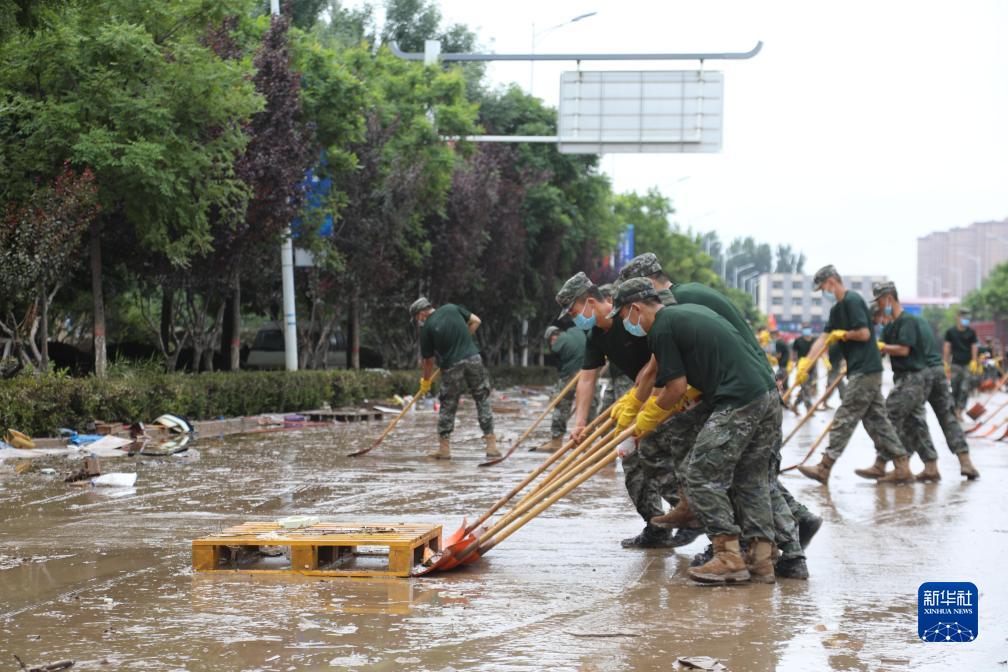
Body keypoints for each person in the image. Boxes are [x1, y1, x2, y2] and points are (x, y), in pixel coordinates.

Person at [618, 253, 817, 580]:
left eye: (625, 315)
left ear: (635, 308)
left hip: (740, 398)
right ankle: (762, 560)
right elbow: (667, 372)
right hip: (766, 394)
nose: (628, 323)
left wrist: (643, 424)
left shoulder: (663, 326)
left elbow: (675, 387)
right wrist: (633, 409)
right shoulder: (682, 312)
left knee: (699, 474)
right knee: (750, 478)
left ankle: (728, 556)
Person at [555, 272, 682, 549]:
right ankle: (656, 525)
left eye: (575, 311)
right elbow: (587, 378)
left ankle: (695, 520)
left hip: (666, 394)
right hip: (638, 396)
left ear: (590, 302)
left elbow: (659, 357)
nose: (575, 319)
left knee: (663, 459)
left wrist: (646, 400)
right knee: (632, 462)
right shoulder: (595, 334)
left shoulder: (630, 317)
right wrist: (579, 423)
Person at [795, 265, 913, 484]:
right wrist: (805, 364)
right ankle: (901, 465)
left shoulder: (853, 301)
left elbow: (864, 333)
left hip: (866, 369)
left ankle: (825, 467)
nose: (824, 293)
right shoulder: (836, 310)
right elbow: (823, 338)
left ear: (831, 282)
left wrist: (845, 335)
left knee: (845, 415)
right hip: (860, 369)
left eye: (823, 288)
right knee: (877, 421)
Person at [869, 284, 980, 480]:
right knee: (945, 416)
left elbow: (904, 351)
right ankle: (962, 463)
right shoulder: (912, 321)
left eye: (879, 303)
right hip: (935, 370)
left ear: (887, 299)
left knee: (902, 415)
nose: (879, 313)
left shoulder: (904, 322)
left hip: (920, 374)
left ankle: (888, 463)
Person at [410, 297, 499, 460]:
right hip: (474, 359)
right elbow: (476, 321)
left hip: (451, 366)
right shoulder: (451, 308)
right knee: (482, 399)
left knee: (448, 404)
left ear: (422, 313)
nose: (418, 321)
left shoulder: (427, 329)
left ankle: (444, 449)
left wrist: (426, 382)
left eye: (417, 317)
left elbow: (428, 361)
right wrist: (465, 336)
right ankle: (491, 446)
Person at [540, 325, 595, 452]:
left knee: (561, 405)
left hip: (570, 374)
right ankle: (588, 443)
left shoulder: (558, 342)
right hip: (591, 370)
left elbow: (558, 356)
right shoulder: (576, 330)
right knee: (590, 404)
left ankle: (556, 440)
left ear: (553, 337)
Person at [944, 309, 979, 419]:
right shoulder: (950, 332)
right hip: (955, 365)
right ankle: (954, 409)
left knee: (965, 388)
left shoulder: (971, 332)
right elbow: (947, 347)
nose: (966, 319)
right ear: (958, 317)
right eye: (963, 317)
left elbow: (974, 347)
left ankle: (959, 410)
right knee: (955, 388)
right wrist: (946, 363)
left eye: (967, 317)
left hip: (967, 365)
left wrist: (974, 361)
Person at [790, 324, 818, 413]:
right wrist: (794, 361)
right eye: (805, 329)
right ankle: (809, 407)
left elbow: (818, 351)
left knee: (807, 388)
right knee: (805, 387)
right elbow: (794, 352)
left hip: (812, 366)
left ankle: (795, 405)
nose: (807, 330)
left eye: (808, 328)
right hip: (802, 367)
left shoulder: (814, 340)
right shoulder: (798, 340)